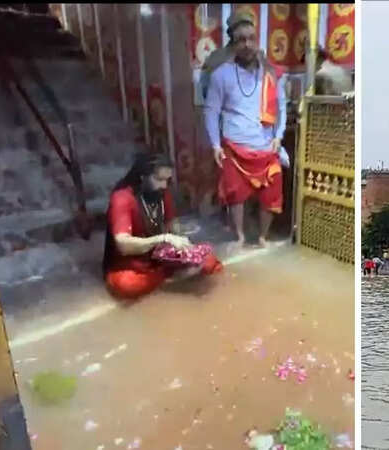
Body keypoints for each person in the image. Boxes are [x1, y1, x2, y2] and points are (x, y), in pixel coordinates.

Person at [203, 12, 288, 249]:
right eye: (241, 40)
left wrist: (279, 137)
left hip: (266, 145)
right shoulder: (221, 75)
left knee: (272, 194)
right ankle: (239, 236)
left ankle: (262, 237)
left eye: (251, 38)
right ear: (233, 43)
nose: (248, 45)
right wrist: (215, 145)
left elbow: (281, 107)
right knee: (235, 195)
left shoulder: (271, 74)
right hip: (234, 145)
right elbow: (211, 111)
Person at [103, 153, 223, 300]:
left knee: (209, 262)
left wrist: (183, 241)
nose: (164, 185)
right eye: (159, 180)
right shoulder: (122, 198)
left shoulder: (162, 193)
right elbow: (123, 244)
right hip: (131, 264)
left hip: (159, 256)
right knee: (126, 285)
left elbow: (171, 224)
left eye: (167, 180)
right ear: (143, 177)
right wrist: (164, 238)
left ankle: (167, 277)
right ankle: (170, 278)